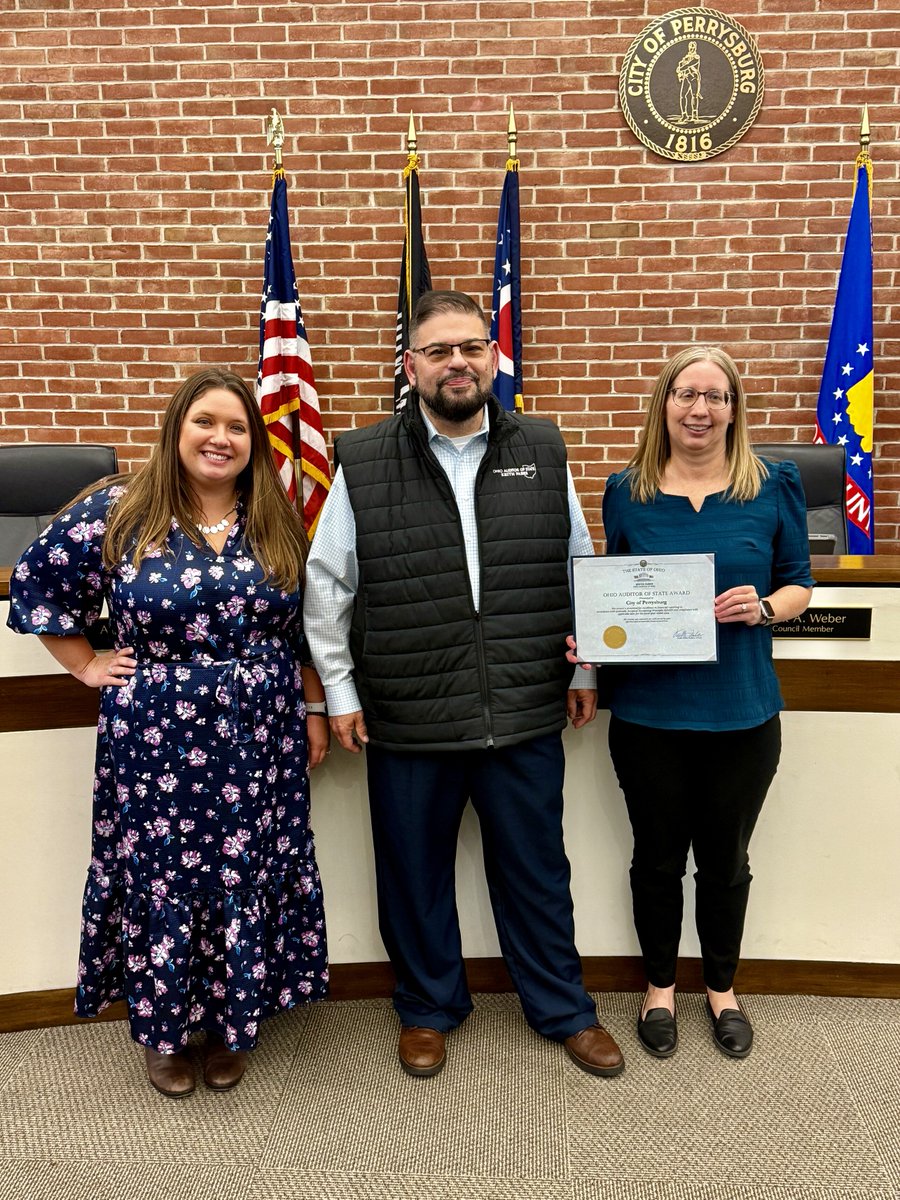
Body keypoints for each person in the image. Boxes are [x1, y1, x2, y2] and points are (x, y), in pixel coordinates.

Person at [303, 290, 624, 1080]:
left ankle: (563, 1009)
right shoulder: (363, 459)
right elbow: (327, 587)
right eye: (439, 351)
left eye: (472, 347)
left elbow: (578, 563)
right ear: (410, 366)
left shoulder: (542, 449)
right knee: (412, 875)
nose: (458, 363)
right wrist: (340, 693)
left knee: (537, 872)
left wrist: (586, 665)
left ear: (492, 356)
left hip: (522, 703)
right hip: (408, 711)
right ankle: (426, 1009)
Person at [7, 367, 330, 1097]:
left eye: (237, 427)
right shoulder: (121, 509)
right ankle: (165, 1033)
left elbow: (303, 627)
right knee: (165, 876)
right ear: (176, 428)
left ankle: (231, 1024)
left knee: (244, 872)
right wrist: (85, 663)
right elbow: (37, 584)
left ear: (254, 443)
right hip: (157, 738)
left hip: (259, 734)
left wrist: (312, 709)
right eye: (204, 422)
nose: (221, 438)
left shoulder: (273, 515)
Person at [571, 346, 813, 1060]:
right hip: (649, 716)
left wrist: (764, 606)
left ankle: (721, 988)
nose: (700, 409)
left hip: (743, 712)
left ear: (734, 408)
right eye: (686, 394)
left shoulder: (774, 484)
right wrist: (593, 638)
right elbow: (616, 590)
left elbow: (799, 583)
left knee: (726, 862)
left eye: (715, 396)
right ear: (665, 405)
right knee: (655, 860)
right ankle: (658, 988)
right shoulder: (627, 490)